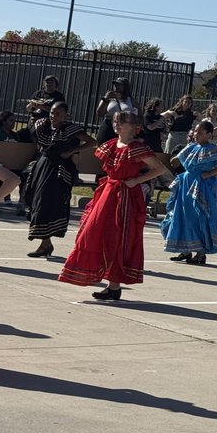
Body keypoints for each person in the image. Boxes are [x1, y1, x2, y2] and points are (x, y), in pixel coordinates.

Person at [57, 112, 167, 299]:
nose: (117, 124)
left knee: (117, 237)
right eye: (116, 121)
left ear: (132, 126)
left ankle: (113, 286)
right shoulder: (111, 145)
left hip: (123, 196)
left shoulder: (136, 148)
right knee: (91, 231)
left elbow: (159, 169)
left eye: (122, 121)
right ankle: (95, 275)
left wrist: (137, 180)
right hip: (107, 192)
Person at [25, 102, 94, 258]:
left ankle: (45, 244)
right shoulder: (43, 125)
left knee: (49, 202)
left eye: (57, 114)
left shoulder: (70, 129)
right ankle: (46, 243)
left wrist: (71, 151)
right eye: (52, 113)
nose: (53, 116)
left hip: (59, 170)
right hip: (42, 166)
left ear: (65, 115)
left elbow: (92, 142)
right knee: (36, 200)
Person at [161, 120, 217, 266]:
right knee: (183, 215)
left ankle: (200, 253)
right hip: (186, 184)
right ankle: (186, 249)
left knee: (200, 217)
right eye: (195, 132)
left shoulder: (213, 149)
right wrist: (174, 161)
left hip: (202, 186)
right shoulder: (192, 147)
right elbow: (177, 160)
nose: (196, 135)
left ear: (209, 134)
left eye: (200, 132)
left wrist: (210, 173)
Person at [94, 77, 135, 144]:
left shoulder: (130, 100)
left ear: (125, 87)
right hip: (109, 126)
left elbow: (139, 115)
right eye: (115, 84)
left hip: (123, 127)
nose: (116, 86)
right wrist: (106, 99)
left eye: (119, 84)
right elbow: (100, 113)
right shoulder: (108, 98)